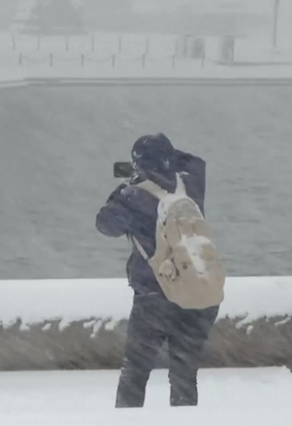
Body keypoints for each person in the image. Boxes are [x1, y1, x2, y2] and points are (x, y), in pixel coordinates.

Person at [96, 133, 222, 408]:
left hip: (154, 296)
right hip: (196, 292)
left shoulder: (132, 196)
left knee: (135, 372)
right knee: (184, 374)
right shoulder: (192, 182)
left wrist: (124, 186)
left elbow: (105, 224)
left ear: (140, 164)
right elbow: (194, 160)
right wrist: (165, 160)